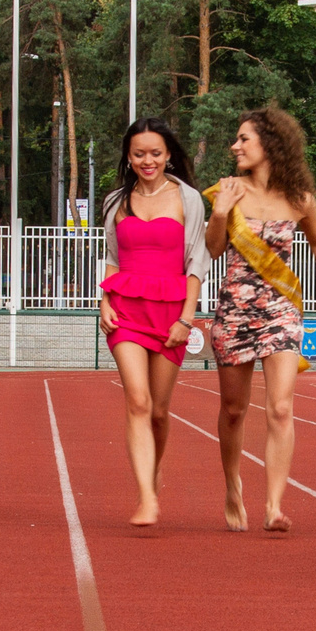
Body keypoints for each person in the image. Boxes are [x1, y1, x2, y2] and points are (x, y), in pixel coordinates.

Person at [205, 105, 316, 534]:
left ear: (270, 144)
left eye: (243, 139)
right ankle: (233, 486)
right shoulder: (228, 189)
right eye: (236, 140)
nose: (235, 146)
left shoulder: (299, 198)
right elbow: (214, 248)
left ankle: (274, 504)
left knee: (280, 406)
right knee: (234, 410)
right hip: (235, 309)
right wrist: (221, 212)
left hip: (281, 311)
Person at [98, 118, 208, 526]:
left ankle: (154, 469)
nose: (148, 161)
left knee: (159, 412)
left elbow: (197, 261)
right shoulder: (115, 201)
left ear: (167, 155)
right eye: (139, 153)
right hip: (125, 311)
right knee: (138, 400)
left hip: (171, 312)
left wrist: (187, 318)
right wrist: (104, 300)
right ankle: (146, 495)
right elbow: (111, 255)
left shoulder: (188, 198)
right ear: (128, 156)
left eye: (156, 153)